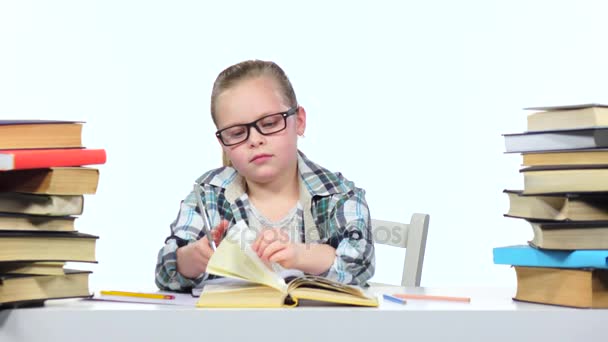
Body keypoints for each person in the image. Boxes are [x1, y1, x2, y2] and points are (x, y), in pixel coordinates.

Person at [155, 60, 374, 291]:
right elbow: (164, 273)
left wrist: (301, 254)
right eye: (237, 133)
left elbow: (361, 263)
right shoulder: (209, 192)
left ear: (298, 122)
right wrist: (191, 259)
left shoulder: (336, 194)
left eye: (269, 123)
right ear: (224, 143)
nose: (255, 140)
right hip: (229, 325)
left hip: (318, 326)